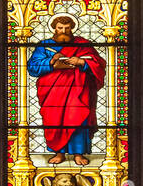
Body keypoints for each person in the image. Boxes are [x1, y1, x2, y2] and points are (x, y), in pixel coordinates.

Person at [27, 15, 106, 165]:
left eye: (67, 28)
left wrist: (81, 61)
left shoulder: (83, 44)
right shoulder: (44, 45)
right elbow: (32, 66)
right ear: (54, 28)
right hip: (52, 92)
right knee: (54, 120)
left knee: (78, 118)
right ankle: (59, 153)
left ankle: (78, 154)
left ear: (72, 28)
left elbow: (99, 63)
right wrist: (51, 62)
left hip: (78, 91)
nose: (63, 31)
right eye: (60, 28)